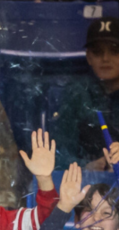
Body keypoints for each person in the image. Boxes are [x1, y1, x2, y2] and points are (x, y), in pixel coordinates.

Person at [53, 17, 119, 170]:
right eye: (97, 52)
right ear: (88, 57)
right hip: (84, 187)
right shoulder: (77, 93)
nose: (105, 58)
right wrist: (89, 166)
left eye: (115, 50)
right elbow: (57, 153)